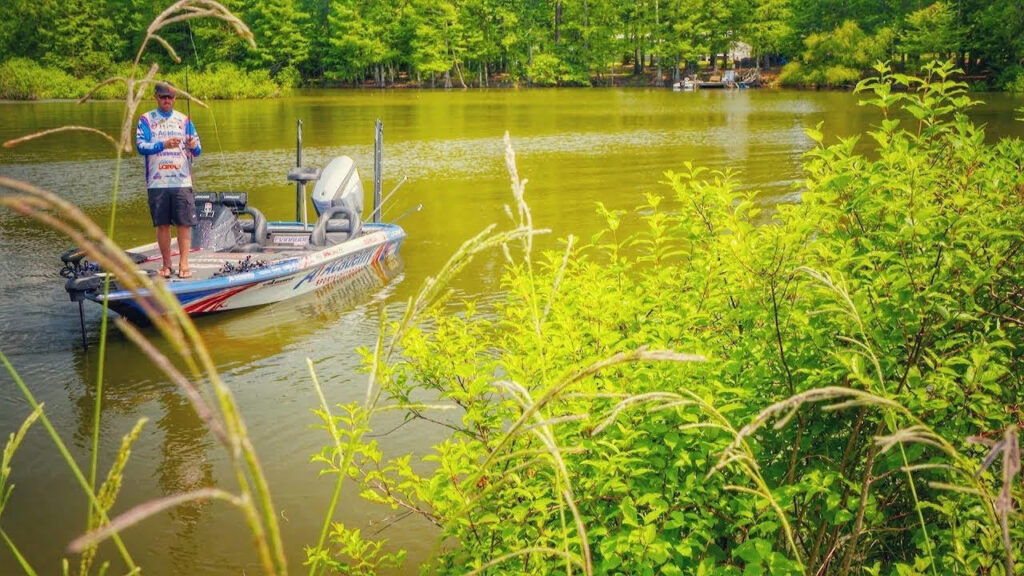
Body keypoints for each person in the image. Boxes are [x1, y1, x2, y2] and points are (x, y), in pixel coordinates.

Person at [136, 81, 202, 279]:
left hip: (181, 181)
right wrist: (163, 144)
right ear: (155, 97)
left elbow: (198, 150)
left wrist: (192, 145)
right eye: (163, 96)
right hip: (158, 182)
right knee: (162, 225)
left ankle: (184, 263)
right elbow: (141, 146)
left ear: (175, 99)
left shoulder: (184, 120)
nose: (167, 100)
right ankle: (166, 265)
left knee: (184, 224)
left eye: (170, 97)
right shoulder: (146, 119)